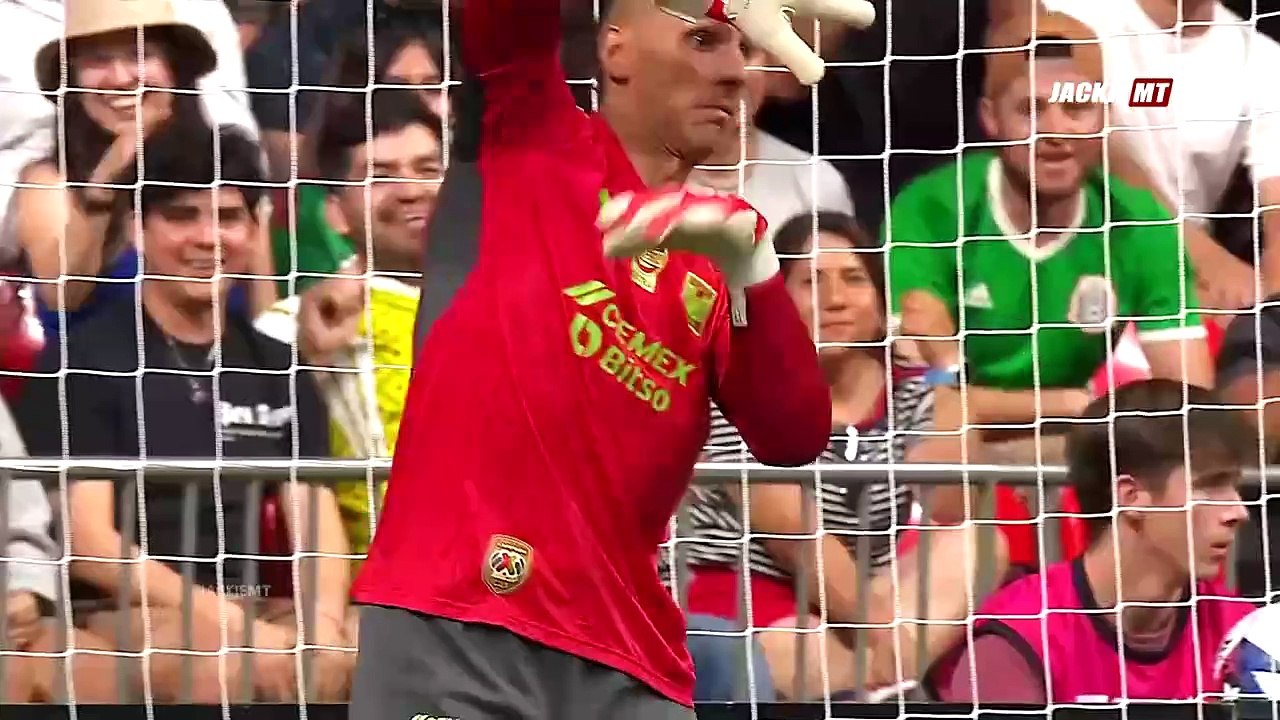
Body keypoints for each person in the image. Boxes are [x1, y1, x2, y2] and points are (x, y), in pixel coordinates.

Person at [344, 0, 876, 717]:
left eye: (741, 50)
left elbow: (794, 434)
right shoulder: (528, 132)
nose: (733, 73)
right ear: (616, 52)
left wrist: (754, 270)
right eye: (703, 40)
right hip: (458, 621)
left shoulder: (720, 246)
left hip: (631, 658)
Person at [13, 123, 354, 703]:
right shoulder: (84, 360)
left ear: (254, 229)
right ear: (138, 230)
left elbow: (315, 520)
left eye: (227, 216)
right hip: (118, 612)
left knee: (379, 646)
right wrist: (239, 627)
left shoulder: (278, 364)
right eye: (182, 216)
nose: (207, 237)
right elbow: (90, 543)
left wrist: (322, 629)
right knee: (229, 665)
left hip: (252, 605)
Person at [681, 211, 1002, 698]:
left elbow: (950, 504)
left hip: (871, 598)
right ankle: (891, 683)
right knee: (802, 652)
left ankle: (877, 683)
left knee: (980, 542)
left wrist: (947, 365)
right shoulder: (739, 386)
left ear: (880, 301)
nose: (835, 299)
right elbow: (794, 533)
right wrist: (884, 636)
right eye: (812, 281)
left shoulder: (908, 392)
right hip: (743, 590)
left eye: (854, 279)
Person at [888, 11, 1214, 468]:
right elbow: (922, 397)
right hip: (950, 456)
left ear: (1104, 116)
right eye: (1031, 110)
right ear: (990, 118)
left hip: (1080, 454)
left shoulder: (1140, 221)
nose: (1055, 131)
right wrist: (1069, 405)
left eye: (1076, 109)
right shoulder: (930, 211)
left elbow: (1189, 403)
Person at [932, 379, 1256, 702]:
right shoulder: (1018, 637)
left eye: (1234, 487)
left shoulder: (1245, 632)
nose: (1239, 512)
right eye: (1211, 486)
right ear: (1131, 497)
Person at [8, 0, 272, 344]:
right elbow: (64, 295)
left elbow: (264, 311)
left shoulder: (227, 165)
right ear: (72, 80)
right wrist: (111, 172)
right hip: (97, 375)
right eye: (97, 60)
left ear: (174, 68)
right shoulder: (48, 182)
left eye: (139, 55)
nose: (120, 78)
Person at [256, 89, 444, 555]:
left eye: (428, 169)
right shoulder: (289, 328)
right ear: (336, 214)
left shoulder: (515, 307)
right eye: (380, 175)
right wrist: (313, 362)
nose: (412, 190)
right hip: (375, 582)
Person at [1039, 0, 1280, 313]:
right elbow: (1080, 140)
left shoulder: (1263, 61)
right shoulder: (1070, 15)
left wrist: (1269, 301)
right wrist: (1207, 257)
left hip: (1183, 278)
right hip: (1069, 243)